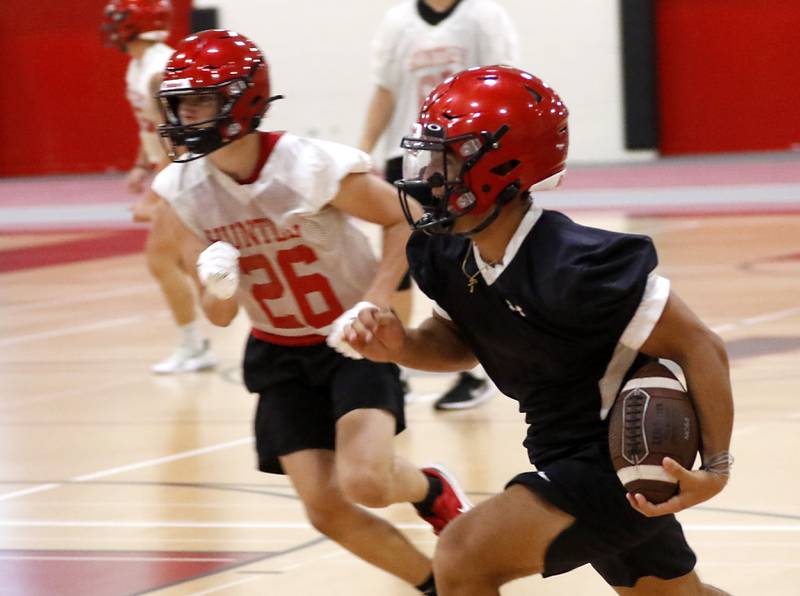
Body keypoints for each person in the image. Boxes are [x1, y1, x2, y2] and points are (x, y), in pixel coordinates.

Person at [343, 66, 734, 595]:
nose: (430, 176)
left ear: (503, 168)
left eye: (449, 159)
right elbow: (458, 340)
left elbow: (700, 345)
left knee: (462, 555)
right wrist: (403, 346)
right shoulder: (447, 250)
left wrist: (716, 467)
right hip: (560, 449)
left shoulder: (575, 265)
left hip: (615, 459)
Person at [149, 29, 471, 595]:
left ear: (242, 100)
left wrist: (376, 297)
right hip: (277, 350)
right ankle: (436, 585)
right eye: (180, 103)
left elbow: (406, 215)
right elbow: (220, 318)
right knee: (325, 509)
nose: (185, 115)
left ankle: (428, 490)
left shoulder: (309, 166)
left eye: (200, 100)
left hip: (351, 342)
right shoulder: (183, 190)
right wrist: (219, 285)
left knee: (368, 482)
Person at [358, 0, 518, 410]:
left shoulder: (483, 16)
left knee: (461, 265)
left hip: (465, 157)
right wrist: (362, 150)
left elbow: (504, 83)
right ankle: (395, 361)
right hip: (409, 154)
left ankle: (474, 369)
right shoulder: (398, 22)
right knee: (400, 263)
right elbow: (384, 90)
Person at [102, 0, 216, 374]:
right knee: (188, 260)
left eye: (118, 21)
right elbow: (151, 126)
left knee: (163, 259)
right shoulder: (138, 67)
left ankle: (195, 345)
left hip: (186, 172)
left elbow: (180, 138)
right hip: (171, 171)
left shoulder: (159, 71)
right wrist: (140, 165)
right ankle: (199, 340)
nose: (112, 28)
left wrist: (156, 192)